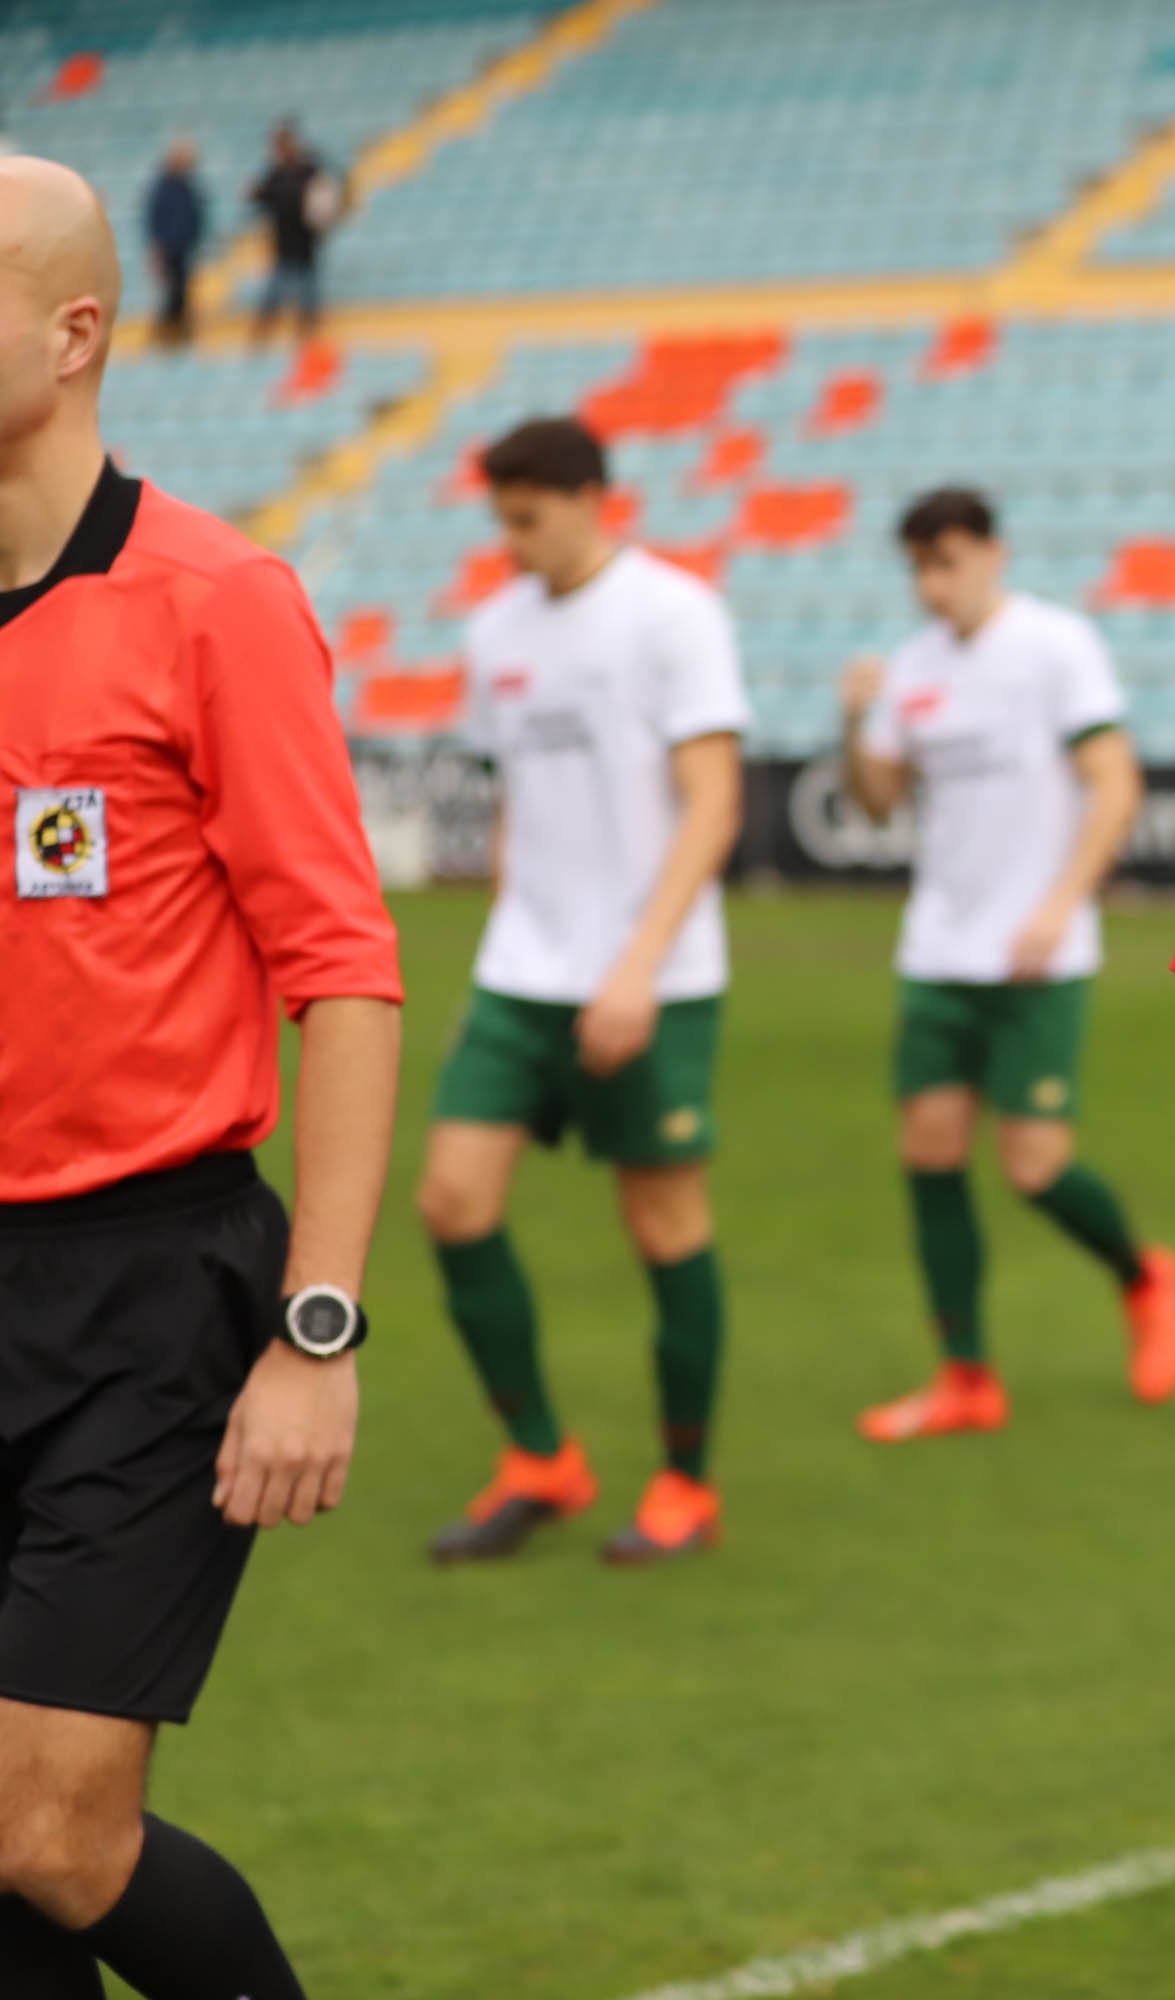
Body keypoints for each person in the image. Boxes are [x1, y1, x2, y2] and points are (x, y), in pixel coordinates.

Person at [0, 155, 402, 1999]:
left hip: (149, 1288)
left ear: (76, 331)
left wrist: (315, 1333)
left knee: (49, 1832)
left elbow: (346, 975)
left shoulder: (214, 600)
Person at [418, 416, 749, 1567]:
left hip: (653, 976)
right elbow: (520, 801)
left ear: (593, 498)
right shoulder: (495, 628)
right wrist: (509, 947)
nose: (510, 541)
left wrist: (635, 966)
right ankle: (540, 1455)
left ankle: (685, 1482)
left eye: (528, 517)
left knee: (661, 1223)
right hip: (524, 975)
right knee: (452, 1201)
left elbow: (712, 801)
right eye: (498, 518)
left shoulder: (672, 614)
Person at [839, 486, 1175, 1439]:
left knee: (1036, 1167)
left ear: (992, 554)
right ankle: (965, 1378)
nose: (932, 583)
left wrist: (1060, 904)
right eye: (919, 566)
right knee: (930, 1154)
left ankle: (1144, 1275)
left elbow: (1114, 784)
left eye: (947, 561)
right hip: (939, 952)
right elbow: (874, 802)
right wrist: (856, 720)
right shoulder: (911, 668)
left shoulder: (1054, 646)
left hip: (1038, 955)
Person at [246, 124, 330, 342]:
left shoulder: (309, 172)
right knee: (271, 299)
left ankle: (306, 340)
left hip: (305, 247)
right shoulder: (275, 175)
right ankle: (259, 342)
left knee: (307, 299)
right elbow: (258, 198)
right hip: (283, 249)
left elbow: (324, 201)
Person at [141, 140, 203, 348]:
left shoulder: (187, 186)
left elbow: (195, 218)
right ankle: (164, 337)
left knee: (182, 293)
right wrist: (157, 248)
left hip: (184, 249)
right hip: (168, 250)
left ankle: (180, 335)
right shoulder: (162, 189)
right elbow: (155, 221)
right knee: (168, 293)